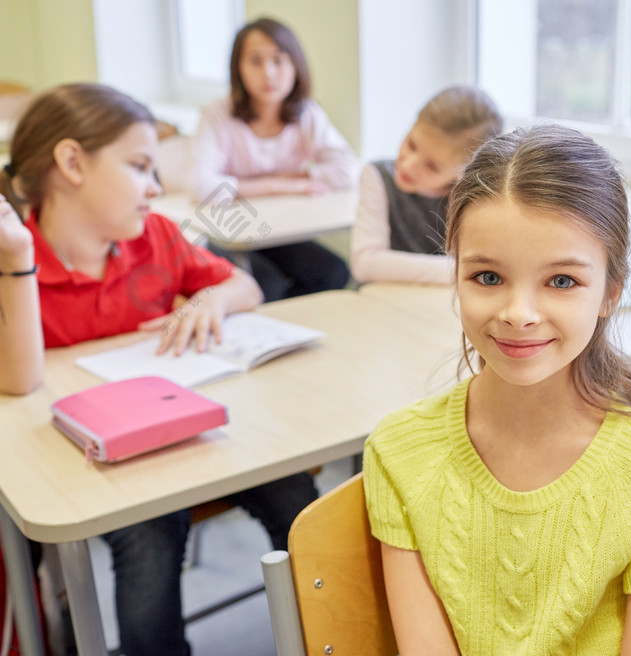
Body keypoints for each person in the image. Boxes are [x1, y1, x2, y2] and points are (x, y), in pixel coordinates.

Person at [363, 124, 631, 656]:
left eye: (562, 281)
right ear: (454, 277)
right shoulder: (399, 453)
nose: (518, 315)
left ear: (610, 292)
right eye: (487, 277)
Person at [0, 83, 319, 656]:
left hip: (185, 434)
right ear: (71, 162)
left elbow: (240, 282)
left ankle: (329, 633)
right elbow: (18, 383)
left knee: (297, 494)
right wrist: (16, 265)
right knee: (150, 532)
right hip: (88, 467)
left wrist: (210, 301)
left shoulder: (157, 236)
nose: (154, 188)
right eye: (140, 167)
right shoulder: (13, 260)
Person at [190, 17, 358, 301]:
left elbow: (347, 170)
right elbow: (201, 186)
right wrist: (284, 184)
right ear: (238, 68)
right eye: (255, 61)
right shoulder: (218, 113)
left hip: (283, 229)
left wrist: (247, 185)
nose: (268, 73)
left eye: (279, 61)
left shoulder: (306, 112)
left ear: (295, 67)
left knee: (334, 273)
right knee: (266, 286)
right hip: (232, 232)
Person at [349, 85, 501, 285]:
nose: (408, 165)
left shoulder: (476, 199)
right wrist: (463, 270)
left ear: (462, 173)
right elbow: (364, 264)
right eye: (411, 144)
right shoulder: (377, 176)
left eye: (431, 166)